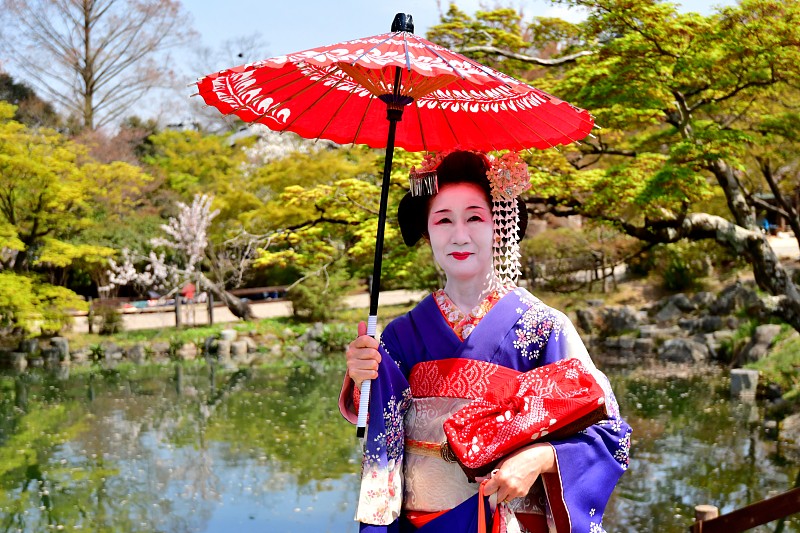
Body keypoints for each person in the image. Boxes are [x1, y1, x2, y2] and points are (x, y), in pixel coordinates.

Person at [339, 150, 631, 532]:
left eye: (475, 217)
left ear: (499, 225)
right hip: (421, 525)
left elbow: (609, 435)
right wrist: (364, 375)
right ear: (427, 232)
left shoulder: (543, 328)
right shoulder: (401, 334)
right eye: (443, 220)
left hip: (507, 521)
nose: (460, 235)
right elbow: (376, 424)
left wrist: (541, 458)